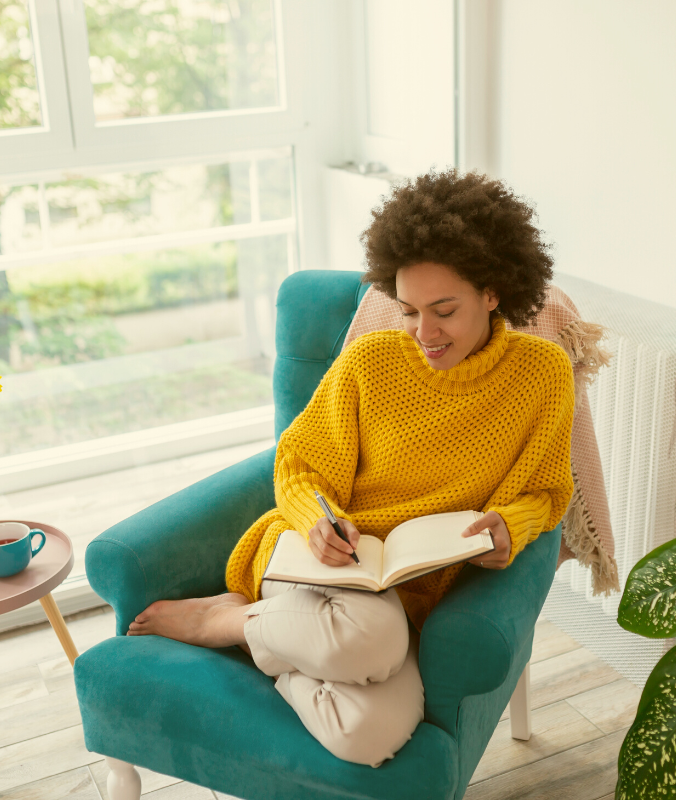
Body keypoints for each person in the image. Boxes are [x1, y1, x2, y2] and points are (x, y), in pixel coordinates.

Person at [126, 167, 575, 768]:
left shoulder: (542, 373)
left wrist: (509, 529)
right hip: (326, 564)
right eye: (410, 310)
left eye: (444, 310)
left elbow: (548, 492)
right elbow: (299, 463)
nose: (423, 333)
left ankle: (260, 634)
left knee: (369, 735)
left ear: (493, 292)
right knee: (375, 640)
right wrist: (318, 520)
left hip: (411, 590)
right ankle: (221, 623)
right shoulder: (371, 360)